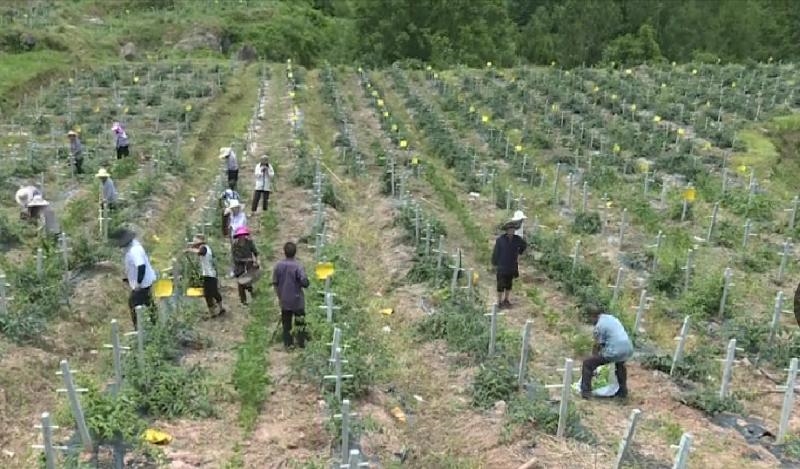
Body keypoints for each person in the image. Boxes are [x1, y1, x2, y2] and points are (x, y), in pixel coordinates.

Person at [580, 304, 632, 399]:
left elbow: (597, 346)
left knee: (587, 363)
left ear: (593, 316)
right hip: (627, 348)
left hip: (615, 350)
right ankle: (623, 391)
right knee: (620, 364)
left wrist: (594, 365)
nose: (590, 321)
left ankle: (586, 392)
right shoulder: (611, 318)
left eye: (589, 319)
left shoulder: (599, 326)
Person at [109, 228, 157, 328]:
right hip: (145, 282)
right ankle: (155, 323)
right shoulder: (133, 246)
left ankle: (139, 328)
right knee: (148, 302)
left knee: (133, 303)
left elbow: (141, 266)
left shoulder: (134, 250)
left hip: (143, 283)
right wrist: (129, 279)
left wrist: (138, 283)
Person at [272, 241, 310, 349]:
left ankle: (288, 344)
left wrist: (279, 296)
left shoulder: (278, 266)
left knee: (286, 324)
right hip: (297, 300)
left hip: (284, 300)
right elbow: (304, 282)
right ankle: (301, 343)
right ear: (295, 252)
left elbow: (275, 282)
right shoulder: (298, 266)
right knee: (300, 322)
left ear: (284, 252)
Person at [185, 234, 226, 317]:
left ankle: (219, 309)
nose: (194, 243)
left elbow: (200, 252)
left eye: (196, 241)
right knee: (209, 293)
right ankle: (214, 311)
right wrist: (191, 247)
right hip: (208, 274)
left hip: (210, 274)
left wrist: (189, 249)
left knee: (212, 292)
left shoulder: (204, 248)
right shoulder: (205, 247)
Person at [491, 219, 527, 308]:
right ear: (506, 230)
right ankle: (499, 302)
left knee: (509, 283)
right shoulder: (500, 240)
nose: (512, 231)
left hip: (512, 265)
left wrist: (520, 252)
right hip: (502, 265)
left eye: (513, 229)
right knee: (500, 284)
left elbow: (524, 245)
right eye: (510, 229)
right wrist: (494, 263)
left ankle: (506, 300)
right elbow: (496, 252)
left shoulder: (517, 239)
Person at [232, 226, 259, 305]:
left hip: (249, 266)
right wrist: (246, 260)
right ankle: (243, 301)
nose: (242, 237)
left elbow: (255, 252)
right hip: (239, 267)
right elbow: (236, 259)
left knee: (249, 281)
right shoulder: (235, 245)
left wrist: (256, 261)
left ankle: (251, 293)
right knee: (241, 283)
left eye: (243, 235)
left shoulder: (249, 243)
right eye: (240, 235)